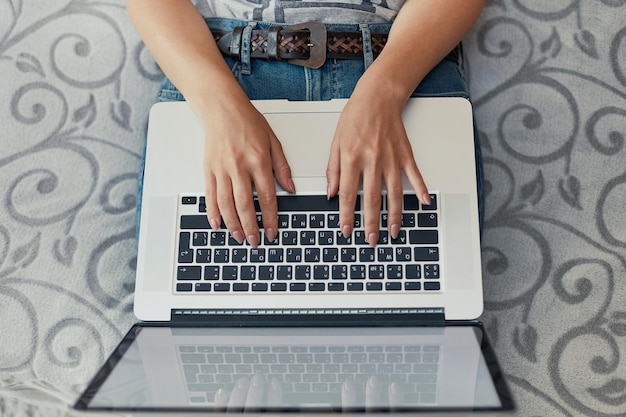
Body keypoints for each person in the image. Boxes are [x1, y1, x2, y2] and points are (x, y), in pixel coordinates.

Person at [127, 0, 485, 247]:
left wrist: (385, 90)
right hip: (218, 70)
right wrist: (221, 108)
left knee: (423, 318)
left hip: (405, 63)